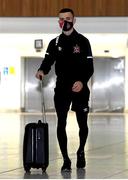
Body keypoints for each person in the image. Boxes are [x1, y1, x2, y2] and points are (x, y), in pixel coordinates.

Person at [35, 8, 94, 172]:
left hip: (80, 88)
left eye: (68, 18)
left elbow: (89, 67)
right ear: (58, 21)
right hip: (61, 89)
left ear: (74, 21)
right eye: (61, 19)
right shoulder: (55, 43)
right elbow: (48, 61)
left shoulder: (83, 41)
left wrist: (82, 82)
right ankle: (66, 159)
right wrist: (42, 70)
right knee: (61, 123)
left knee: (82, 123)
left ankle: (81, 151)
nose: (65, 22)